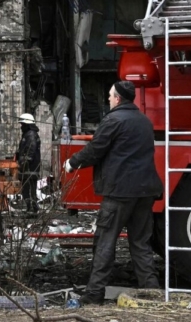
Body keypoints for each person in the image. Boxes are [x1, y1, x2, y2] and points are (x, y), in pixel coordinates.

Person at [64, 80, 163, 304]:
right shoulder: (144, 121)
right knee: (140, 243)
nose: (108, 99)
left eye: (110, 95)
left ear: (118, 98)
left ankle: (94, 293)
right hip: (145, 191)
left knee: (105, 241)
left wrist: (72, 162)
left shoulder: (113, 120)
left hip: (120, 192)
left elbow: (95, 149)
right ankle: (152, 292)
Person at [15, 113, 42, 215]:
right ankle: (31, 208)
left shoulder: (30, 135)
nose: (21, 126)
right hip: (28, 168)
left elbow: (31, 149)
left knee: (29, 189)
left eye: (23, 124)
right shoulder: (29, 134)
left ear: (27, 124)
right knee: (28, 189)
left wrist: (25, 161)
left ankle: (32, 209)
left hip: (30, 168)